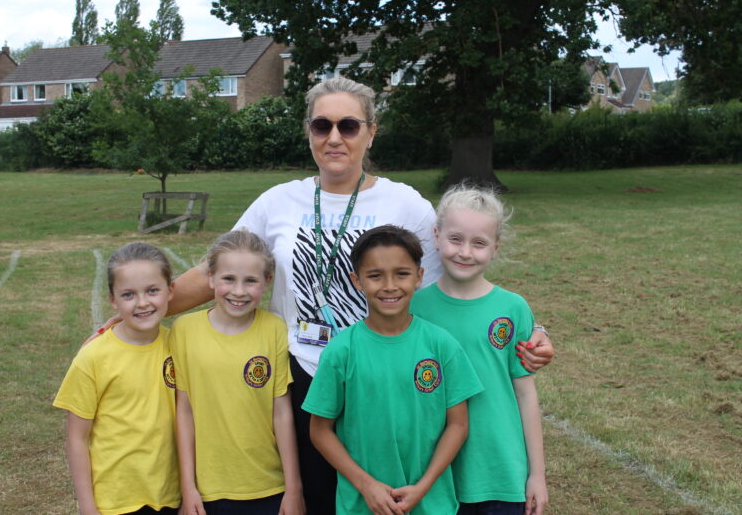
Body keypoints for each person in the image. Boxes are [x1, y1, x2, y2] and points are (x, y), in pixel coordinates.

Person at [96, 77, 554, 513]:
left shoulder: (406, 204)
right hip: (301, 373)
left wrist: (528, 336)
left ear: (371, 134)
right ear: (309, 133)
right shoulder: (278, 202)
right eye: (322, 125)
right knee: (315, 495)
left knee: (382, 494)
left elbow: (451, 285)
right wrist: (143, 313)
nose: (335, 137)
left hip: (385, 376)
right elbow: (213, 272)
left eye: (349, 125)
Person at [303, 225, 483, 515]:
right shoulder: (341, 351)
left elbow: (458, 425)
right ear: (357, 280)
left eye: (401, 274)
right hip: (362, 505)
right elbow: (320, 431)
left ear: (419, 277)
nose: (389, 286)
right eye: (375, 276)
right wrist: (367, 485)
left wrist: (423, 486)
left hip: (431, 503)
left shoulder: (441, 345)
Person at [411, 186, 549, 515]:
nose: (465, 253)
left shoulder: (513, 308)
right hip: (435, 474)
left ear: (495, 247)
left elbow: (525, 394)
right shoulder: (413, 308)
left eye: (479, 243)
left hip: (500, 471)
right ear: (436, 235)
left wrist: (537, 475)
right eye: (455, 239)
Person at [170, 230, 304, 515]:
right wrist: (188, 487)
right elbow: (184, 411)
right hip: (207, 491)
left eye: (251, 281)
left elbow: (281, 413)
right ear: (210, 278)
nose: (239, 291)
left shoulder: (275, 329)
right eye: (228, 279)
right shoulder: (184, 330)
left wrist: (294, 489)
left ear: (267, 282)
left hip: (269, 487)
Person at [54, 242, 180, 515]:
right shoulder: (93, 357)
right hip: (116, 501)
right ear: (113, 300)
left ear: (170, 291)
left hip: (169, 495)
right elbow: (77, 438)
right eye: (128, 295)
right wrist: (88, 507)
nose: (143, 302)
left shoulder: (180, 346)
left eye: (153, 290)